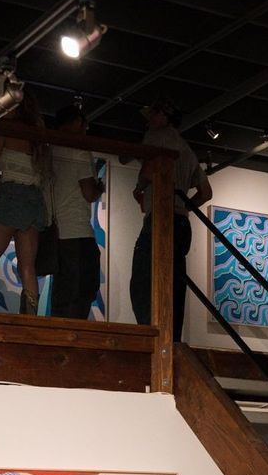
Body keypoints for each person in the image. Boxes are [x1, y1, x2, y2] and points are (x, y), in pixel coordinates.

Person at [125, 95, 211, 338]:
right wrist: (183, 207)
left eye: (152, 115)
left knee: (143, 280)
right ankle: (170, 339)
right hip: (181, 222)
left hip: (160, 219)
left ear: (163, 115)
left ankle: (150, 335)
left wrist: (140, 187)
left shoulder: (156, 138)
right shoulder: (187, 149)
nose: (149, 121)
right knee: (173, 283)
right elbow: (206, 193)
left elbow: (150, 170)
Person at [0, 90, 47, 314]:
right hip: (35, 200)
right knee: (27, 269)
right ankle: (30, 324)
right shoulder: (38, 138)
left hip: (11, 196)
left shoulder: (5, 131)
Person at [46, 103, 105, 320]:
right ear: (77, 123)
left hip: (56, 233)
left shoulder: (49, 148)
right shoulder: (79, 148)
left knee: (62, 294)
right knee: (82, 290)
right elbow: (88, 193)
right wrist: (100, 186)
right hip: (78, 231)